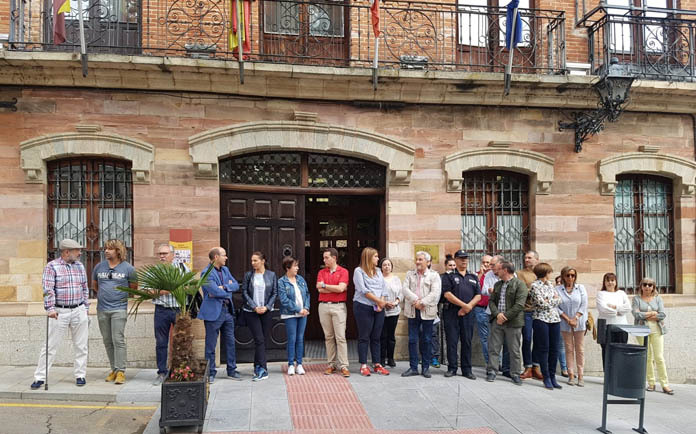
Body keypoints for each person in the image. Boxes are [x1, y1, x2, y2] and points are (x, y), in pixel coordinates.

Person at [31, 239, 91, 390]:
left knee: (81, 346)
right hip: (59, 312)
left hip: (79, 310)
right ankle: (40, 377)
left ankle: (80, 375)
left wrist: (85, 308)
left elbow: (85, 287)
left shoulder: (80, 266)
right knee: (50, 346)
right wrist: (50, 308)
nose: (80, 253)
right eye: (77, 250)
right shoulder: (52, 266)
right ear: (66, 252)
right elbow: (48, 290)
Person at [92, 239, 137, 385]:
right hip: (102, 309)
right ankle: (114, 369)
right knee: (107, 340)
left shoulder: (128, 268)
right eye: (105, 248)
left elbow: (134, 288)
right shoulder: (99, 267)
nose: (106, 251)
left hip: (119, 308)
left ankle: (121, 371)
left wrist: (118, 297)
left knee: (118, 339)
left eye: (110, 249)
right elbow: (95, 285)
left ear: (118, 251)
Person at [198, 247, 240, 383]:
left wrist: (225, 287)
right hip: (213, 313)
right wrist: (224, 290)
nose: (226, 258)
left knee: (230, 342)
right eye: (224, 255)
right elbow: (214, 291)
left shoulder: (225, 270)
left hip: (227, 311)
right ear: (216, 257)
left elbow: (236, 285)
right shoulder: (206, 272)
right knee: (211, 345)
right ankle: (210, 373)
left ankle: (231, 370)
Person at [152, 244, 190, 385]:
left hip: (178, 310)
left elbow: (189, 287)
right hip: (161, 309)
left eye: (165, 253)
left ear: (172, 255)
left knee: (182, 341)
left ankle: (181, 371)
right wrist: (168, 290)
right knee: (161, 342)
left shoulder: (182, 268)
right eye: (160, 253)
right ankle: (162, 372)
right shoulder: (154, 271)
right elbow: (148, 291)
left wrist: (172, 289)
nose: (162, 256)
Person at [441, 250, 481, 379]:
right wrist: (464, 305)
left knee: (467, 341)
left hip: (468, 313)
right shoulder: (449, 276)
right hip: (451, 312)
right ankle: (452, 368)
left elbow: (478, 295)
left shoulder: (473, 276)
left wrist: (467, 307)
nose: (464, 260)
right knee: (452, 341)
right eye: (461, 258)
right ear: (456, 260)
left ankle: (467, 369)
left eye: (466, 258)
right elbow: (447, 294)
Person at [486, 261, 527, 385]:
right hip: (497, 321)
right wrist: (497, 314)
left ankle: (515, 373)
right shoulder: (498, 284)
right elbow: (491, 301)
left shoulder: (520, 284)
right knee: (494, 348)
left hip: (513, 323)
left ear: (505, 270)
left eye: (498, 269)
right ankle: (492, 371)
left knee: (514, 350)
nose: (496, 271)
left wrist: (505, 316)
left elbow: (519, 305)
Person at [401, 251, 441, 378]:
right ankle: (413, 367)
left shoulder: (434, 275)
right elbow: (405, 289)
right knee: (412, 340)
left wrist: (422, 302)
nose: (417, 262)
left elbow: (435, 292)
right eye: (417, 259)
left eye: (420, 259)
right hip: (413, 310)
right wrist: (415, 301)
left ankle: (425, 368)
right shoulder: (409, 274)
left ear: (428, 262)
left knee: (427, 339)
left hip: (427, 310)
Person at [632, 278, 673, 395]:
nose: (647, 287)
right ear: (641, 286)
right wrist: (652, 313)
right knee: (648, 357)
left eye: (650, 285)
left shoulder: (658, 298)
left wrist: (645, 315)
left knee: (659, 357)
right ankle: (651, 383)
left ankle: (665, 384)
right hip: (642, 330)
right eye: (645, 284)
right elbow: (636, 314)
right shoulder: (636, 299)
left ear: (653, 287)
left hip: (657, 330)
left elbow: (662, 314)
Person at [353, 247, 389, 376]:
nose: (378, 259)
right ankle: (363, 365)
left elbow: (384, 288)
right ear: (368, 257)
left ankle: (377, 364)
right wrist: (378, 302)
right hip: (363, 306)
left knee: (376, 336)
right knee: (364, 336)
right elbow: (363, 290)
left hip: (378, 307)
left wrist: (381, 302)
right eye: (376, 256)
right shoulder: (358, 271)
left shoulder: (378, 271)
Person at [241, 251, 277, 381]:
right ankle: (263, 369)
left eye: (255, 260)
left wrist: (267, 307)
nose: (253, 263)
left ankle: (257, 366)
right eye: (252, 260)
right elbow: (244, 292)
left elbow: (274, 293)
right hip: (251, 312)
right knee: (259, 339)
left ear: (263, 261)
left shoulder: (271, 275)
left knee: (262, 340)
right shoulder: (248, 275)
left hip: (267, 311)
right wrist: (254, 306)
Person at [317, 248, 351, 377]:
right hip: (324, 306)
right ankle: (331, 364)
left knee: (340, 337)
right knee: (328, 337)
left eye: (327, 257)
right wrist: (334, 289)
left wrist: (325, 285)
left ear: (334, 258)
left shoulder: (344, 271)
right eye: (324, 257)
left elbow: (341, 288)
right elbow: (319, 289)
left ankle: (343, 365)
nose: (324, 260)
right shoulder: (321, 272)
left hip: (338, 306)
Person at [530, 263, 562, 390]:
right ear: (545, 273)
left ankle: (553, 376)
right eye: (549, 272)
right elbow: (541, 303)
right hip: (541, 319)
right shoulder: (534, 286)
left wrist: (551, 300)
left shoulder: (550, 285)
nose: (550, 274)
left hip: (554, 319)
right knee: (544, 348)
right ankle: (546, 376)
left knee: (555, 348)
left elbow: (559, 300)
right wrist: (552, 300)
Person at [277, 256, 310, 376]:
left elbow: (307, 294)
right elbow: (284, 300)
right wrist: (298, 309)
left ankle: (299, 364)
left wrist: (306, 308)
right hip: (290, 314)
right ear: (288, 267)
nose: (297, 268)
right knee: (292, 338)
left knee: (300, 338)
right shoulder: (281, 282)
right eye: (295, 266)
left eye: (297, 265)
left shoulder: (301, 279)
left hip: (303, 313)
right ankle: (291, 364)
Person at [556, 266, 588, 387]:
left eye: (573, 275)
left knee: (580, 349)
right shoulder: (557, 289)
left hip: (579, 322)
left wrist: (575, 318)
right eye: (568, 275)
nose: (570, 277)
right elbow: (556, 306)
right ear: (563, 276)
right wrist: (568, 319)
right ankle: (570, 374)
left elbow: (584, 304)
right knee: (568, 348)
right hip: (565, 322)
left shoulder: (580, 288)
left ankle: (581, 375)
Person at [595, 272, 631, 367]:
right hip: (605, 327)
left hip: (622, 327)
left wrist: (615, 307)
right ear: (604, 282)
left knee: (621, 351)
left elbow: (628, 308)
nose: (610, 283)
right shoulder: (601, 294)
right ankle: (608, 374)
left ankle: (619, 374)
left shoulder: (621, 293)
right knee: (607, 352)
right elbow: (603, 309)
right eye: (608, 281)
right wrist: (618, 312)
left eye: (612, 280)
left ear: (616, 282)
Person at [482, 255, 510, 376]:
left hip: (508, 314)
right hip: (493, 313)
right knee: (494, 342)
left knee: (508, 343)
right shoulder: (488, 275)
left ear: (501, 264)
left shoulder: (511, 274)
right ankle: (493, 368)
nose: (490, 267)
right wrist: (490, 291)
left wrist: (495, 291)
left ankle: (507, 369)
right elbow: (484, 290)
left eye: (493, 265)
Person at [517, 250, 542, 380]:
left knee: (538, 339)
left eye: (529, 258)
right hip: (526, 311)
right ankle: (527, 366)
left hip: (539, 312)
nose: (526, 260)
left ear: (536, 259)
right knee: (527, 339)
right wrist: (535, 290)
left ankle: (536, 366)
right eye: (525, 258)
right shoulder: (520, 274)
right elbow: (522, 291)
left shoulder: (541, 273)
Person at [380, 258, 402, 368]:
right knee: (382, 336)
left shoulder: (396, 279)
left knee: (391, 336)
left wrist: (396, 302)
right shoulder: (378, 279)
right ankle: (382, 358)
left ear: (391, 267)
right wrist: (385, 303)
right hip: (382, 311)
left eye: (389, 265)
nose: (387, 267)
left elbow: (401, 293)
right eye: (384, 265)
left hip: (394, 310)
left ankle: (391, 358)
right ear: (381, 267)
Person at [474, 254, 492, 365]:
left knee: (495, 338)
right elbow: (476, 289)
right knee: (484, 337)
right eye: (483, 262)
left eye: (488, 262)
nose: (485, 265)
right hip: (480, 309)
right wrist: (481, 274)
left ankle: (497, 362)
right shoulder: (476, 275)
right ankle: (489, 363)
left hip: (493, 309)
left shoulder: (495, 275)